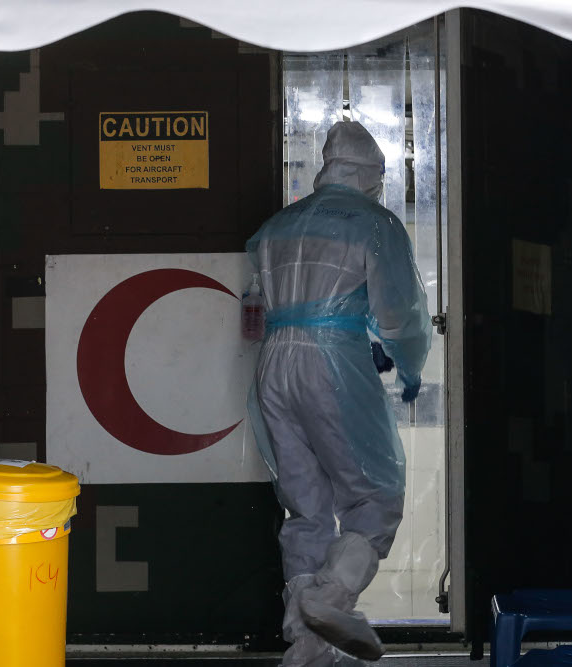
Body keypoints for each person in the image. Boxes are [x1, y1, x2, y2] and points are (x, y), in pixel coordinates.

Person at [246, 120, 432, 665]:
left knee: (306, 506)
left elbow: (263, 295)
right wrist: (408, 360)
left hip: (274, 362)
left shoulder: (278, 224)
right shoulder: (374, 223)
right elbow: (399, 311)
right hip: (332, 361)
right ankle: (329, 600)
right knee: (374, 496)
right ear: (372, 173)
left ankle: (307, 644)